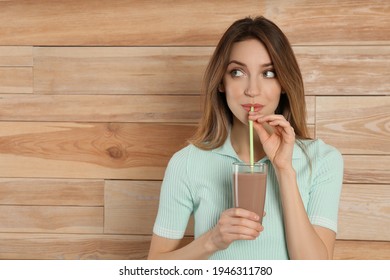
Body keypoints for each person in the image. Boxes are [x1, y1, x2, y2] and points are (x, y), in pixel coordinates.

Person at [148, 16, 343, 260]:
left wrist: (284, 169)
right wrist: (212, 240)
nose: (252, 90)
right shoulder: (186, 163)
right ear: (221, 82)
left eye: (268, 73)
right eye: (237, 72)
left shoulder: (322, 160)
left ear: (284, 82)